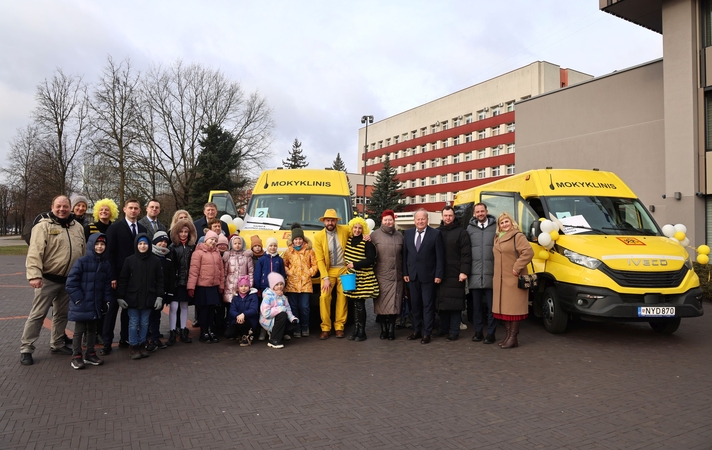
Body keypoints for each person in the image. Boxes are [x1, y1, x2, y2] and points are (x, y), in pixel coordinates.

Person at [20, 195, 86, 365]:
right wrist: (34, 274)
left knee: (61, 314)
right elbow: (35, 252)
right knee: (38, 314)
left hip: (68, 280)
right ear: (52, 207)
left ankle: (57, 343)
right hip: (47, 279)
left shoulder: (77, 227)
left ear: (70, 207)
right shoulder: (43, 226)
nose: (62, 209)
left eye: (65, 206)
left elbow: (83, 252)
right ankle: (26, 347)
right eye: (58, 206)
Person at [102, 199, 148, 355]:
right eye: (130, 208)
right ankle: (106, 342)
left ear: (140, 210)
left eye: (136, 208)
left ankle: (125, 339)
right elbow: (109, 254)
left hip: (134, 278)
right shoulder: (115, 228)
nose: (133, 211)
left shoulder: (142, 228)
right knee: (112, 311)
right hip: (117, 278)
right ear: (124, 209)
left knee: (129, 311)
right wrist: (112, 276)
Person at [65, 233, 112, 369]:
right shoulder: (82, 262)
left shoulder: (105, 264)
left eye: (102, 244)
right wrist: (79, 299)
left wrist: (106, 301)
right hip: (82, 303)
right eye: (97, 244)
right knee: (79, 331)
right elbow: (71, 283)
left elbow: (107, 285)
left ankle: (90, 353)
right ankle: (76, 355)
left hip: (95, 304)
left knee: (92, 330)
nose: (99, 247)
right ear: (91, 245)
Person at [116, 234, 164, 360]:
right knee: (133, 323)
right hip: (133, 298)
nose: (143, 246)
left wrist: (159, 296)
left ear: (149, 245)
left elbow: (160, 280)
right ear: (136, 245)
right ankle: (133, 346)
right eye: (140, 243)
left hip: (149, 298)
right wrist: (120, 296)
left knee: (144, 323)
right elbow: (123, 280)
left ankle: (142, 344)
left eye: (145, 243)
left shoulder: (155, 261)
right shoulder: (129, 260)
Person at [492, 212, 534, 349]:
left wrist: (517, 267)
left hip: (513, 278)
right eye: (502, 222)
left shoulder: (518, 236)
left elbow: (528, 252)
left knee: (514, 310)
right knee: (505, 310)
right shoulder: (497, 238)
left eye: (506, 221)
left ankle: (513, 337)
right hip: (501, 280)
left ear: (512, 222)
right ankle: (509, 337)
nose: (504, 224)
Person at [402, 208, 444, 344]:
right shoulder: (407, 234)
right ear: (414, 221)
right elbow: (405, 256)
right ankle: (416, 330)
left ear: (427, 220)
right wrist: (405, 272)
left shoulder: (436, 234)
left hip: (429, 276)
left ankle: (427, 333)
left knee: (428, 305)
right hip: (412, 276)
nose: (420, 221)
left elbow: (439, 256)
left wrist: (438, 274)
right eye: (418, 219)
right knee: (415, 305)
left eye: (423, 219)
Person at [312, 209, 350, 340]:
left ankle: (339, 326)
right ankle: (325, 327)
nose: (330, 222)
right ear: (324, 222)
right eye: (328, 220)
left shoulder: (345, 230)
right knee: (324, 296)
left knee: (343, 297)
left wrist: (367, 235)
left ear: (336, 221)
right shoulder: (318, 237)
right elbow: (320, 260)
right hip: (328, 271)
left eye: (332, 220)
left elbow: (359, 229)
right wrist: (325, 277)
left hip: (344, 270)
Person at [436, 206, 471, 341]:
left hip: (456, 273)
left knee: (455, 305)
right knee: (442, 303)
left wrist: (464, 271)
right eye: (445, 215)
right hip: (441, 273)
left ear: (454, 216)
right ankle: (443, 328)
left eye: (450, 215)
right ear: (442, 216)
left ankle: (454, 330)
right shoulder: (437, 232)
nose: (448, 218)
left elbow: (466, 254)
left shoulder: (461, 232)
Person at [370, 210, 404, 341]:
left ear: (394, 221)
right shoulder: (375, 236)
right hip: (381, 275)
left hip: (397, 275)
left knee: (395, 304)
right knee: (381, 304)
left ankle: (391, 330)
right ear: (381, 221)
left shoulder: (400, 236)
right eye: (386, 220)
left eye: (390, 220)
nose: (388, 222)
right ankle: (383, 329)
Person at [344, 217, 379, 342]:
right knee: (354, 305)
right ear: (351, 228)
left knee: (360, 304)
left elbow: (371, 260)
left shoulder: (367, 242)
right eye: (355, 227)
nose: (357, 230)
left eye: (360, 228)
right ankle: (356, 330)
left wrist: (355, 264)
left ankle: (362, 332)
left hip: (363, 278)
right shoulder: (348, 240)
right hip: (351, 277)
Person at [467, 202, 498, 344]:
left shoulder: (496, 227)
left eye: (482, 211)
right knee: (476, 307)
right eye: (477, 212)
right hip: (474, 273)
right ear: (474, 214)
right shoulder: (469, 229)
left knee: (492, 307)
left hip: (491, 273)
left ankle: (491, 333)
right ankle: (478, 332)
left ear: (486, 211)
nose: (480, 213)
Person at [187, 230, 224, 343]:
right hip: (202, 286)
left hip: (213, 286)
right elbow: (194, 271)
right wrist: (191, 287)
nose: (213, 242)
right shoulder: (198, 253)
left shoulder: (217, 253)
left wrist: (221, 285)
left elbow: (221, 270)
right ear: (206, 240)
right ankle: (203, 332)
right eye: (211, 239)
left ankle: (210, 330)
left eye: (215, 240)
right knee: (204, 311)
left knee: (212, 310)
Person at [282, 223, 317, 338]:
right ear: (292, 240)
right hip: (292, 284)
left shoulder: (309, 251)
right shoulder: (288, 252)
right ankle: (296, 327)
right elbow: (284, 264)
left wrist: (309, 273)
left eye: (299, 239)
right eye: (295, 239)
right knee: (293, 307)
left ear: (303, 240)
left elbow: (315, 265)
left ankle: (305, 326)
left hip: (305, 284)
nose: (297, 241)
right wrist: (289, 272)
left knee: (305, 307)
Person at [168, 218, 197, 344]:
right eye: (181, 232)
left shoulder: (192, 247)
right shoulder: (172, 247)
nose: (184, 234)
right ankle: (172, 331)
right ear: (176, 233)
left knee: (184, 306)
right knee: (174, 306)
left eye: (186, 231)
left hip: (187, 281)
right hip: (175, 282)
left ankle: (184, 330)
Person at [146, 231, 174, 351]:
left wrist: (169, 292)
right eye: (160, 241)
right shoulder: (149, 255)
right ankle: (146, 339)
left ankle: (155, 338)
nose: (163, 244)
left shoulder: (168, 256)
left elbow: (170, 276)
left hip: (162, 292)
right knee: (147, 317)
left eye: (165, 242)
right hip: (149, 292)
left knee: (156, 316)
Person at [221, 235, 254, 335]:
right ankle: (230, 328)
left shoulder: (246, 256)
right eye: (235, 243)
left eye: (239, 243)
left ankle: (241, 330)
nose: (237, 245)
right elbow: (225, 272)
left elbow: (251, 272)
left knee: (241, 308)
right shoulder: (227, 256)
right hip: (230, 286)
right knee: (231, 309)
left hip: (243, 286)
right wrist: (223, 285)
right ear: (231, 244)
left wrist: (250, 286)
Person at [259, 272, 298, 349]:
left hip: (278, 319)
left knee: (293, 324)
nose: (279, 286)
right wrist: (280, 309)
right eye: (276, 285)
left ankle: (280, 334)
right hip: (268, 320)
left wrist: (292, 318)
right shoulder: (268, 297)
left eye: (281, 284)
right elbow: (266, 314)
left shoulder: (283, 297)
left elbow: (288, 309)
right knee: (282, 314)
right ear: (272, 286)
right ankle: (274, 340)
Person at [224, 275, 259, 346]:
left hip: (249, 320)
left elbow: (254, 309)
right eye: (241, 286)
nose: (243, 288)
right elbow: (232, 310)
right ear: (238, 287)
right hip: (238, 320)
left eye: (246, 286)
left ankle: (248, 335)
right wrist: (238, 316)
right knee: (228, 334)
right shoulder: (235, 297)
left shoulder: (253, 296)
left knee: (243, 324)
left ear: (249, 287)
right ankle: (240, 334)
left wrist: (244, 315)